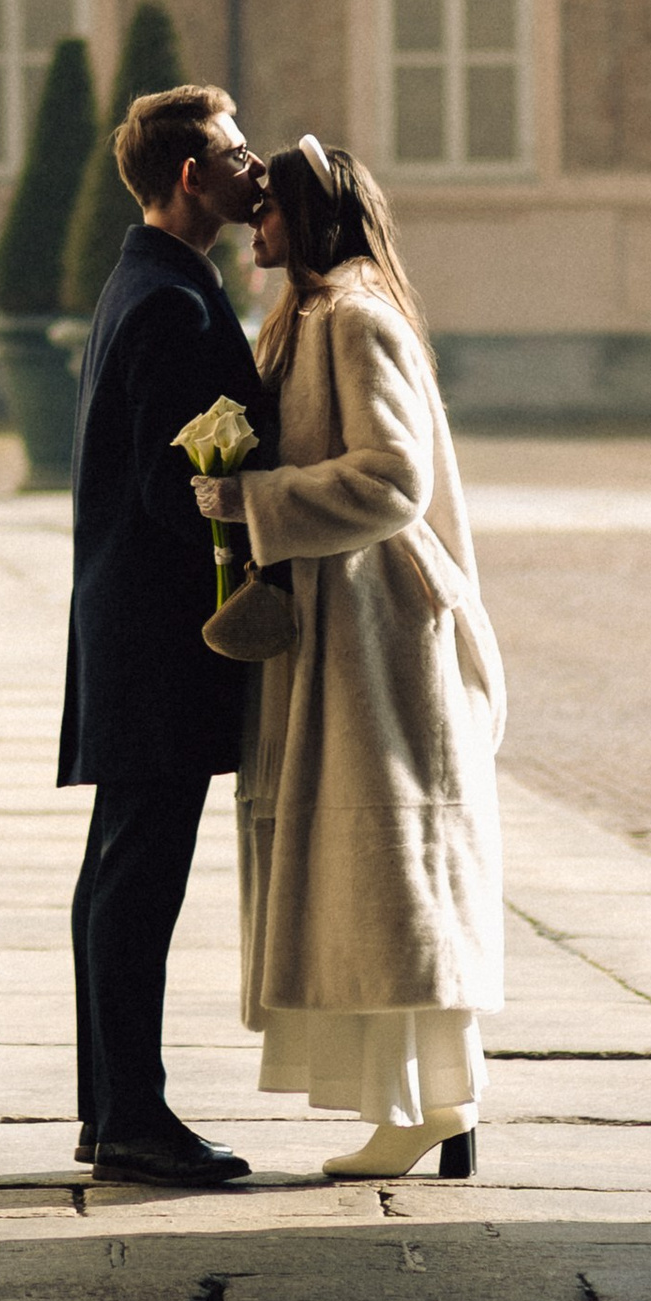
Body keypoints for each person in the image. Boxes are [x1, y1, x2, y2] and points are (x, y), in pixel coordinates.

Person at [191, 135, 507, 1181]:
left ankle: (431, 1107)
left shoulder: (354, 318)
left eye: (269, 211)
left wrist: (253, 499)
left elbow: (391, 479)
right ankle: (430, 1106)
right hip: (343, 638)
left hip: (378, 642)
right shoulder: (315, 317)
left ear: (309, 217)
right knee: (373, 876)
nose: (255, 227)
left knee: (392, 877)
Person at [57, 80, 268, 1185]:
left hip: (124, 620)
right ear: (192, 176)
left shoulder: (142, 282)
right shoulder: (174, 306)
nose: (252, 168)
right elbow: (170, 485)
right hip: (160, 633)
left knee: (115, 870)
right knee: (140, 875)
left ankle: (109, 1110)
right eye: (236, 153)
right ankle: (133, 1116)